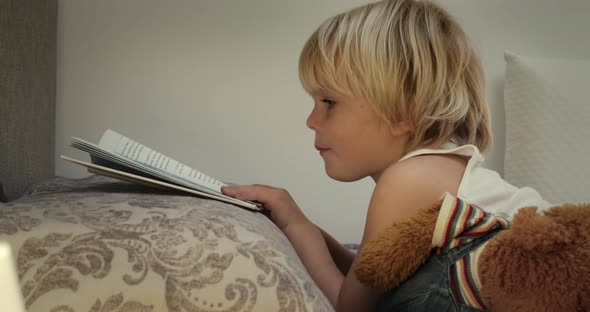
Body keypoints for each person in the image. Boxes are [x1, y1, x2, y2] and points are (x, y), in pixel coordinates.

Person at [221, 0, 550, 311]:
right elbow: (372, 283)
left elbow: (351, 305)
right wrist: (301, 223)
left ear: (403, 112)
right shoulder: (436, 170)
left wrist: (297, 227)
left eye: (329, 103)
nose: (311, 121)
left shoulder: (409, 179)